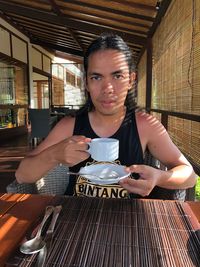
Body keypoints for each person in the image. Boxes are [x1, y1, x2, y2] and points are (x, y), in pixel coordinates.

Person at [15, 33, 197, 199]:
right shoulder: (69, 124)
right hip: (75, 218)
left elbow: (189, 176)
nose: (107, 89)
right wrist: (53, 155)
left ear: (131, 80)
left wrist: (160, 177)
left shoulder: (144, 124)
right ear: (86, 82)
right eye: (96, 77)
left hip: (129, 221)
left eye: (117, 76)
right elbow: (22, 175)